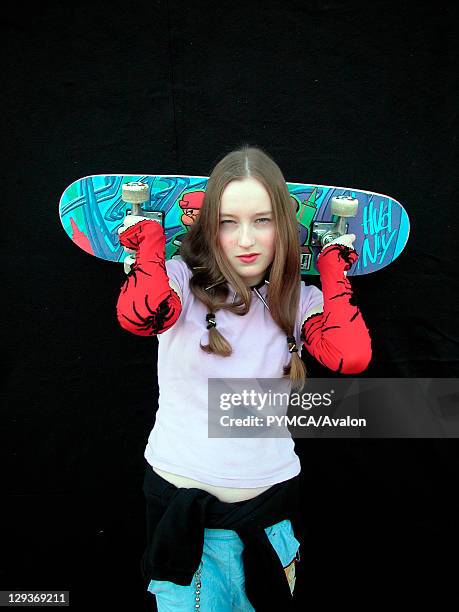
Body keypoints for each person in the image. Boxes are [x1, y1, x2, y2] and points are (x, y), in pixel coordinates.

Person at [115, 146, 372, 611]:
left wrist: (334, 267)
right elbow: (141, 313)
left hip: (268, 518)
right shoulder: (178, 283)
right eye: (228, 221)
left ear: (285, 228)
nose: (246, 240)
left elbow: (349, 355)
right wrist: (149, 240)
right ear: (208, 226)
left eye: (263, 220)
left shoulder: (297, 301)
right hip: (186, 521)